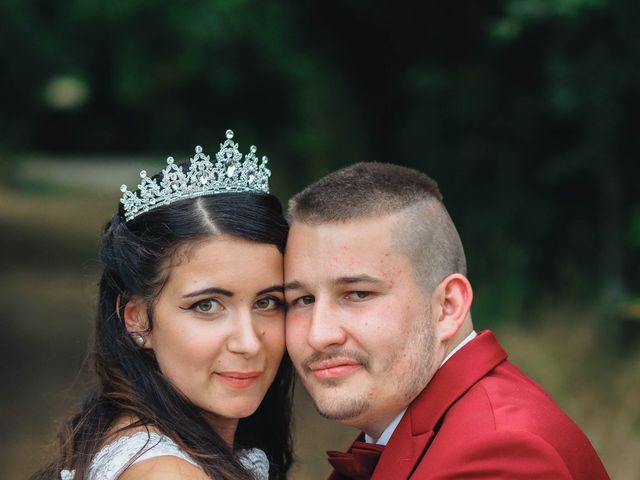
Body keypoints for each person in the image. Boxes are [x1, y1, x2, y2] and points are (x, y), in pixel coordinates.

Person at [284, 162, 609, 479]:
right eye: (303, 300)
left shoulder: (500, 456)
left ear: (447, 307)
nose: (319, 334)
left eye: (358, 294)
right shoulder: (415, 425)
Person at [32, 130, 293, 480]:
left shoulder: (132, 433)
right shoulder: (167, 472)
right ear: (137, 318)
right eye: (207, 306)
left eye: (267, 302)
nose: (248, 342)